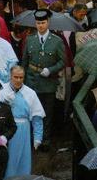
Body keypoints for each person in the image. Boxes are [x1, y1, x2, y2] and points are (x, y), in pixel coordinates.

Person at [21, 9, 65, 150]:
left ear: (48, 23)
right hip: (31, 81)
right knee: (31, 111)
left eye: (43, 23)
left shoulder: (57, 41)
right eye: (38, 23)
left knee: (46, 112)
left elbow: (63, 61)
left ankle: (44, 140)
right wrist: (22, 81)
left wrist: (50, 70)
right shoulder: (30, 39)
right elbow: (24, 61)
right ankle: (32, 138)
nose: (40, 25)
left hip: (48, 82)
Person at [0, 66, 44, 177]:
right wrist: (4, 104)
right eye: (16, 77)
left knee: (22, 159)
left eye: (21, 77)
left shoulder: (30, 93)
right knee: (5, 160)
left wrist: (38, 137)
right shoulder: (1, 90)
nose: (18, 80)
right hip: (4, 128)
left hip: (22, 129)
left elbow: (37, 116)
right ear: (10, 76)